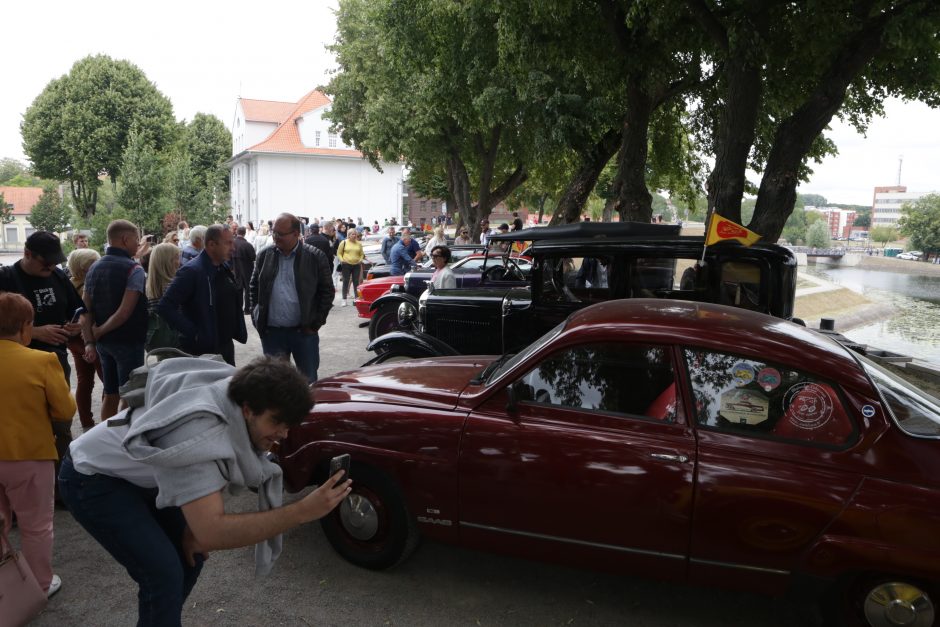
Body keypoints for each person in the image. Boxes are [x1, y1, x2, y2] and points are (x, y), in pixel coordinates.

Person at [58, 356, 351, 627]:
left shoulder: (238, 391)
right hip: (92, 476)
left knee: (190, 559)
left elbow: (224, 461)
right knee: (162, 575)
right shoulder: (199, 433)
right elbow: (212, 532)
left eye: (289, 426)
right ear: (247, 409)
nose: (283, 435)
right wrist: (301, 511)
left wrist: (198, 521)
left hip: (145, 472)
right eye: (276, 422)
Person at [0, 292, 76, 599]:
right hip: (29, 455)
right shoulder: (42, 360)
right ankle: (39, 585)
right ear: (25, 326)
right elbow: (65, 411)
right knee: (36, 526)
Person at [250, 213, 333, 382]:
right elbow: (253, 287)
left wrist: (316, 323)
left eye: (280, 234)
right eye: (274, 232)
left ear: (296, 234)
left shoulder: (315, 257)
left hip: (304, 332)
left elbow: (327, 292)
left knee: (308, 382)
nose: (275, 237)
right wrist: (256, 315)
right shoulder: (264, 256)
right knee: (275, 384)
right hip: (271, 334)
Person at [82, 220, 148, 421]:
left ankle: (105, 437)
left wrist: (90, 342)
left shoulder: (93, 267)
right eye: (136, 240)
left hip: (103, 345)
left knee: (110, 394)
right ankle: (123, 441)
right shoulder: (133, 269)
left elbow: (85, 310)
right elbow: (125, 312)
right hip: (128, 341)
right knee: (130, 396)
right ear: (125, 239)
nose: (138, 245)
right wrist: (100, 331)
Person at [158, 225, 247, 366]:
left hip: (224, 345)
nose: (233, 248)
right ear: (211, 244)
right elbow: (165, 307)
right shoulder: (192, 271)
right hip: (203, 350)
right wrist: (194, 333)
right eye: (228, 243)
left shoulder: (223, 267)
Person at [66, 248, 104, 431]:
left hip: (73, 341)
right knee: (108, 380)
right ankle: (106, 420)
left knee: (84, 381)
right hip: (87, 338)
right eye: (94, 263)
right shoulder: (86, 287)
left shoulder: (69, 284)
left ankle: (86, 423)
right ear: (84, 268)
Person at [144, 243, 182, 353]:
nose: (179, 261)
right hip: (177, 342)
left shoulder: (148, 287)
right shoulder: (174, 287)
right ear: (168, 261)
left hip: (160, 342)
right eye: (177, 257)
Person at [232, 226, 257, 315]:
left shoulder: (232, 244)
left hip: (235, 270)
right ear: (244, 233)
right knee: (247, 289)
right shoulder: (247, 245)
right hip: (247, 269)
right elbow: (253, 257)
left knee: (238, 289)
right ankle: (247, 309)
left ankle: (238, 308)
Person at [337, 227, 364, 306]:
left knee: (356, 282)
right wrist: (342, 260)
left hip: (356, 265)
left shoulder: (359, 243)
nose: (355, 235)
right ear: (349, 235)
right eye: (353, 234)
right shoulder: (344, 242)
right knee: (346, 281)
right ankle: (344, 299)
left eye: (355, 234)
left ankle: (356, 298)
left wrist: (360, 259)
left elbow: (362, 254)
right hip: (346, 264)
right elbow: (339, 253)